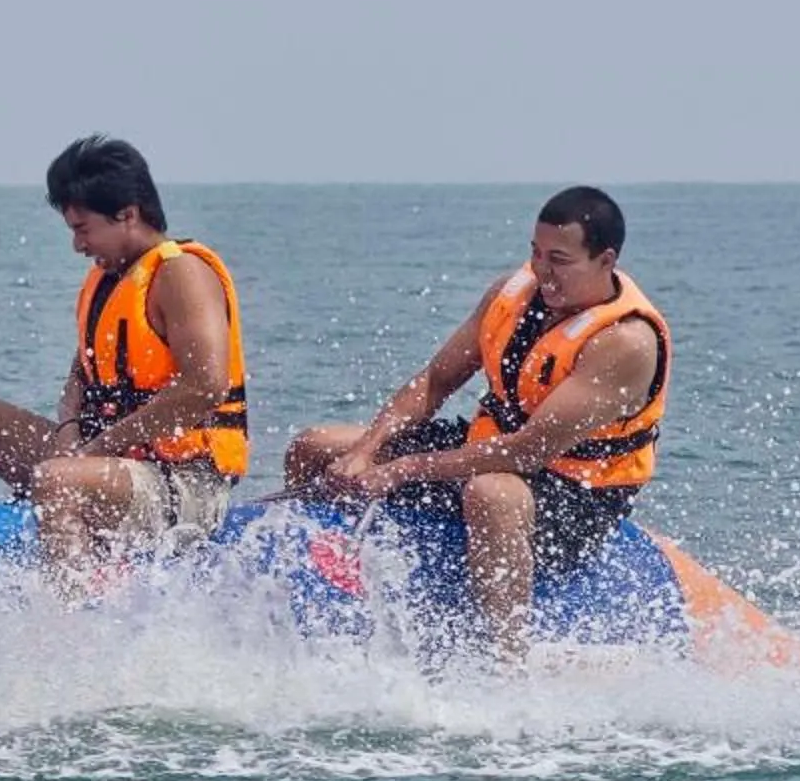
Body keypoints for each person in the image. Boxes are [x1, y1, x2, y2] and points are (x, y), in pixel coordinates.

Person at [283, 187, 667, 654]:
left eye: (559, 260)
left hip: (574, 494)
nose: (542, 271)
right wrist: (365, 453)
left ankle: (506, 658)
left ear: (605, 261)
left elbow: (528, 451)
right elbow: (434, 382)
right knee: (316, 445)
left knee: (492, 493)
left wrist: (402, 470)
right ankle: (311, 588)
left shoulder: (625, 342)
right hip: (482, 449)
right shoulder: (511, 295)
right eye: (536, 253)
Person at [0, 136, 249, 566]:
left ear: (127, 214)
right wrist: (70, 430)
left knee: (58, 480)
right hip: (103, 461)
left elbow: (204, 388)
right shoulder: (111, 281)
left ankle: (72, 605)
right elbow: (81, 376)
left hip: (187, 485)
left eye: (82, 229)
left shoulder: (182, 274)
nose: (78, 245)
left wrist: (97, 449)